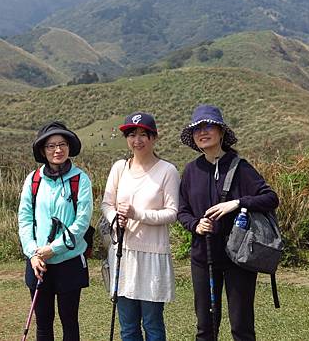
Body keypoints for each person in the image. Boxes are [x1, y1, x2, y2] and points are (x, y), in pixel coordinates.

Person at [177, 105, 279, 341]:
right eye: (197, 129)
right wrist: (196, 225)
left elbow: (271, 198)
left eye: (209, 126)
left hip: (238, 258)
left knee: (241, 327)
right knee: (205, 328)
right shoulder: (191, 170)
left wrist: (236, 203)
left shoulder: (240, 167)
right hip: (203, 256)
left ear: (221, 132)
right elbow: (182, 211)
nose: (203, 132)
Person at [101, 112, 180, 341]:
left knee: (153, 324)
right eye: (132, 134)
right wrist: (116, 217)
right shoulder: (119, 168)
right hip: (122, 254)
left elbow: (172, 213)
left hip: (153, 255)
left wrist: (137, 214)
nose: (137, 140)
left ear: (154, 138)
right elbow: (107, 203)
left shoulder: (167, 171)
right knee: (128, 326)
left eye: (144, 134)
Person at [18, 121, 93, 341]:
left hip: (69, 261)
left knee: (69, 321)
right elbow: (25, 220)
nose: (57, 150)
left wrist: (54, 249)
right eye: (50, 146)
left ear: (69, 147)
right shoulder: (33, 180)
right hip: (38, 263)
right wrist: (33, 253)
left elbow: (81, 222)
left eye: (62, 144)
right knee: (43, 323)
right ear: (43, 150)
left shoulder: (80, 179)